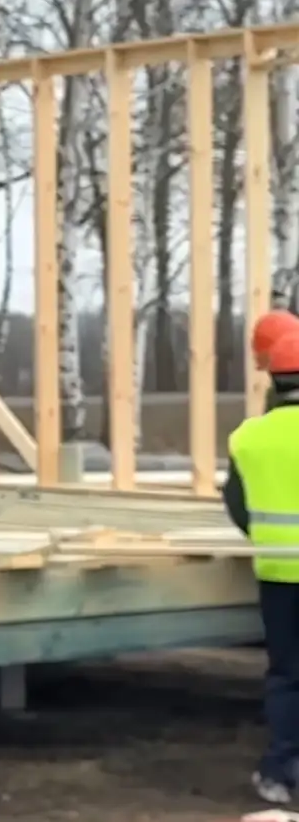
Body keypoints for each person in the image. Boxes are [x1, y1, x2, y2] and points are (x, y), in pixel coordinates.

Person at [227, 329, 299, 805]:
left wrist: (268, 538)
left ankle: (279, 773)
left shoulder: (247, 437)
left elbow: (237, 505)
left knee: (287, 675)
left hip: (277, 574)